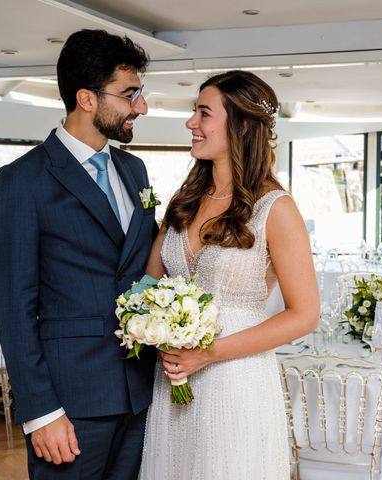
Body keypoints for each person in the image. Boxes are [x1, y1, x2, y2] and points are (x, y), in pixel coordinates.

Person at [0, 29, 157, 480]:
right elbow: (12, 306)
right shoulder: (22, 181)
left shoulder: (134, 169)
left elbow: (144, 266)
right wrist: (41, 411)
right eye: (129, 94)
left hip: (140, 393)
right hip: (69, 404)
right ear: (86, 98)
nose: (140, 107)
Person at [140, 70, 320, 479]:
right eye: (194, 112)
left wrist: (207, 353)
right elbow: (149, 287)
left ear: (240, 126)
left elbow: (305, 314)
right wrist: (149, 324)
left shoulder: (276, 208)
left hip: (236, 381)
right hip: (173, 380)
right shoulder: (184, 201)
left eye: (203, 114)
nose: (191, 123)